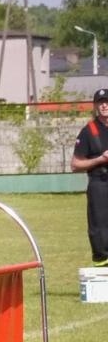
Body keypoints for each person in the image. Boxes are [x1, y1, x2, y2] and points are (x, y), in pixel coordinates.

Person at [70, 87, 108, 267]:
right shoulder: (88, 131)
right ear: (95, 107)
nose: (104, 106)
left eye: (107, 102)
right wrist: (101, 159)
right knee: (99, 226)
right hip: (99, 182)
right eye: (100, 103)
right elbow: (75, 164)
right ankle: (102, 263)